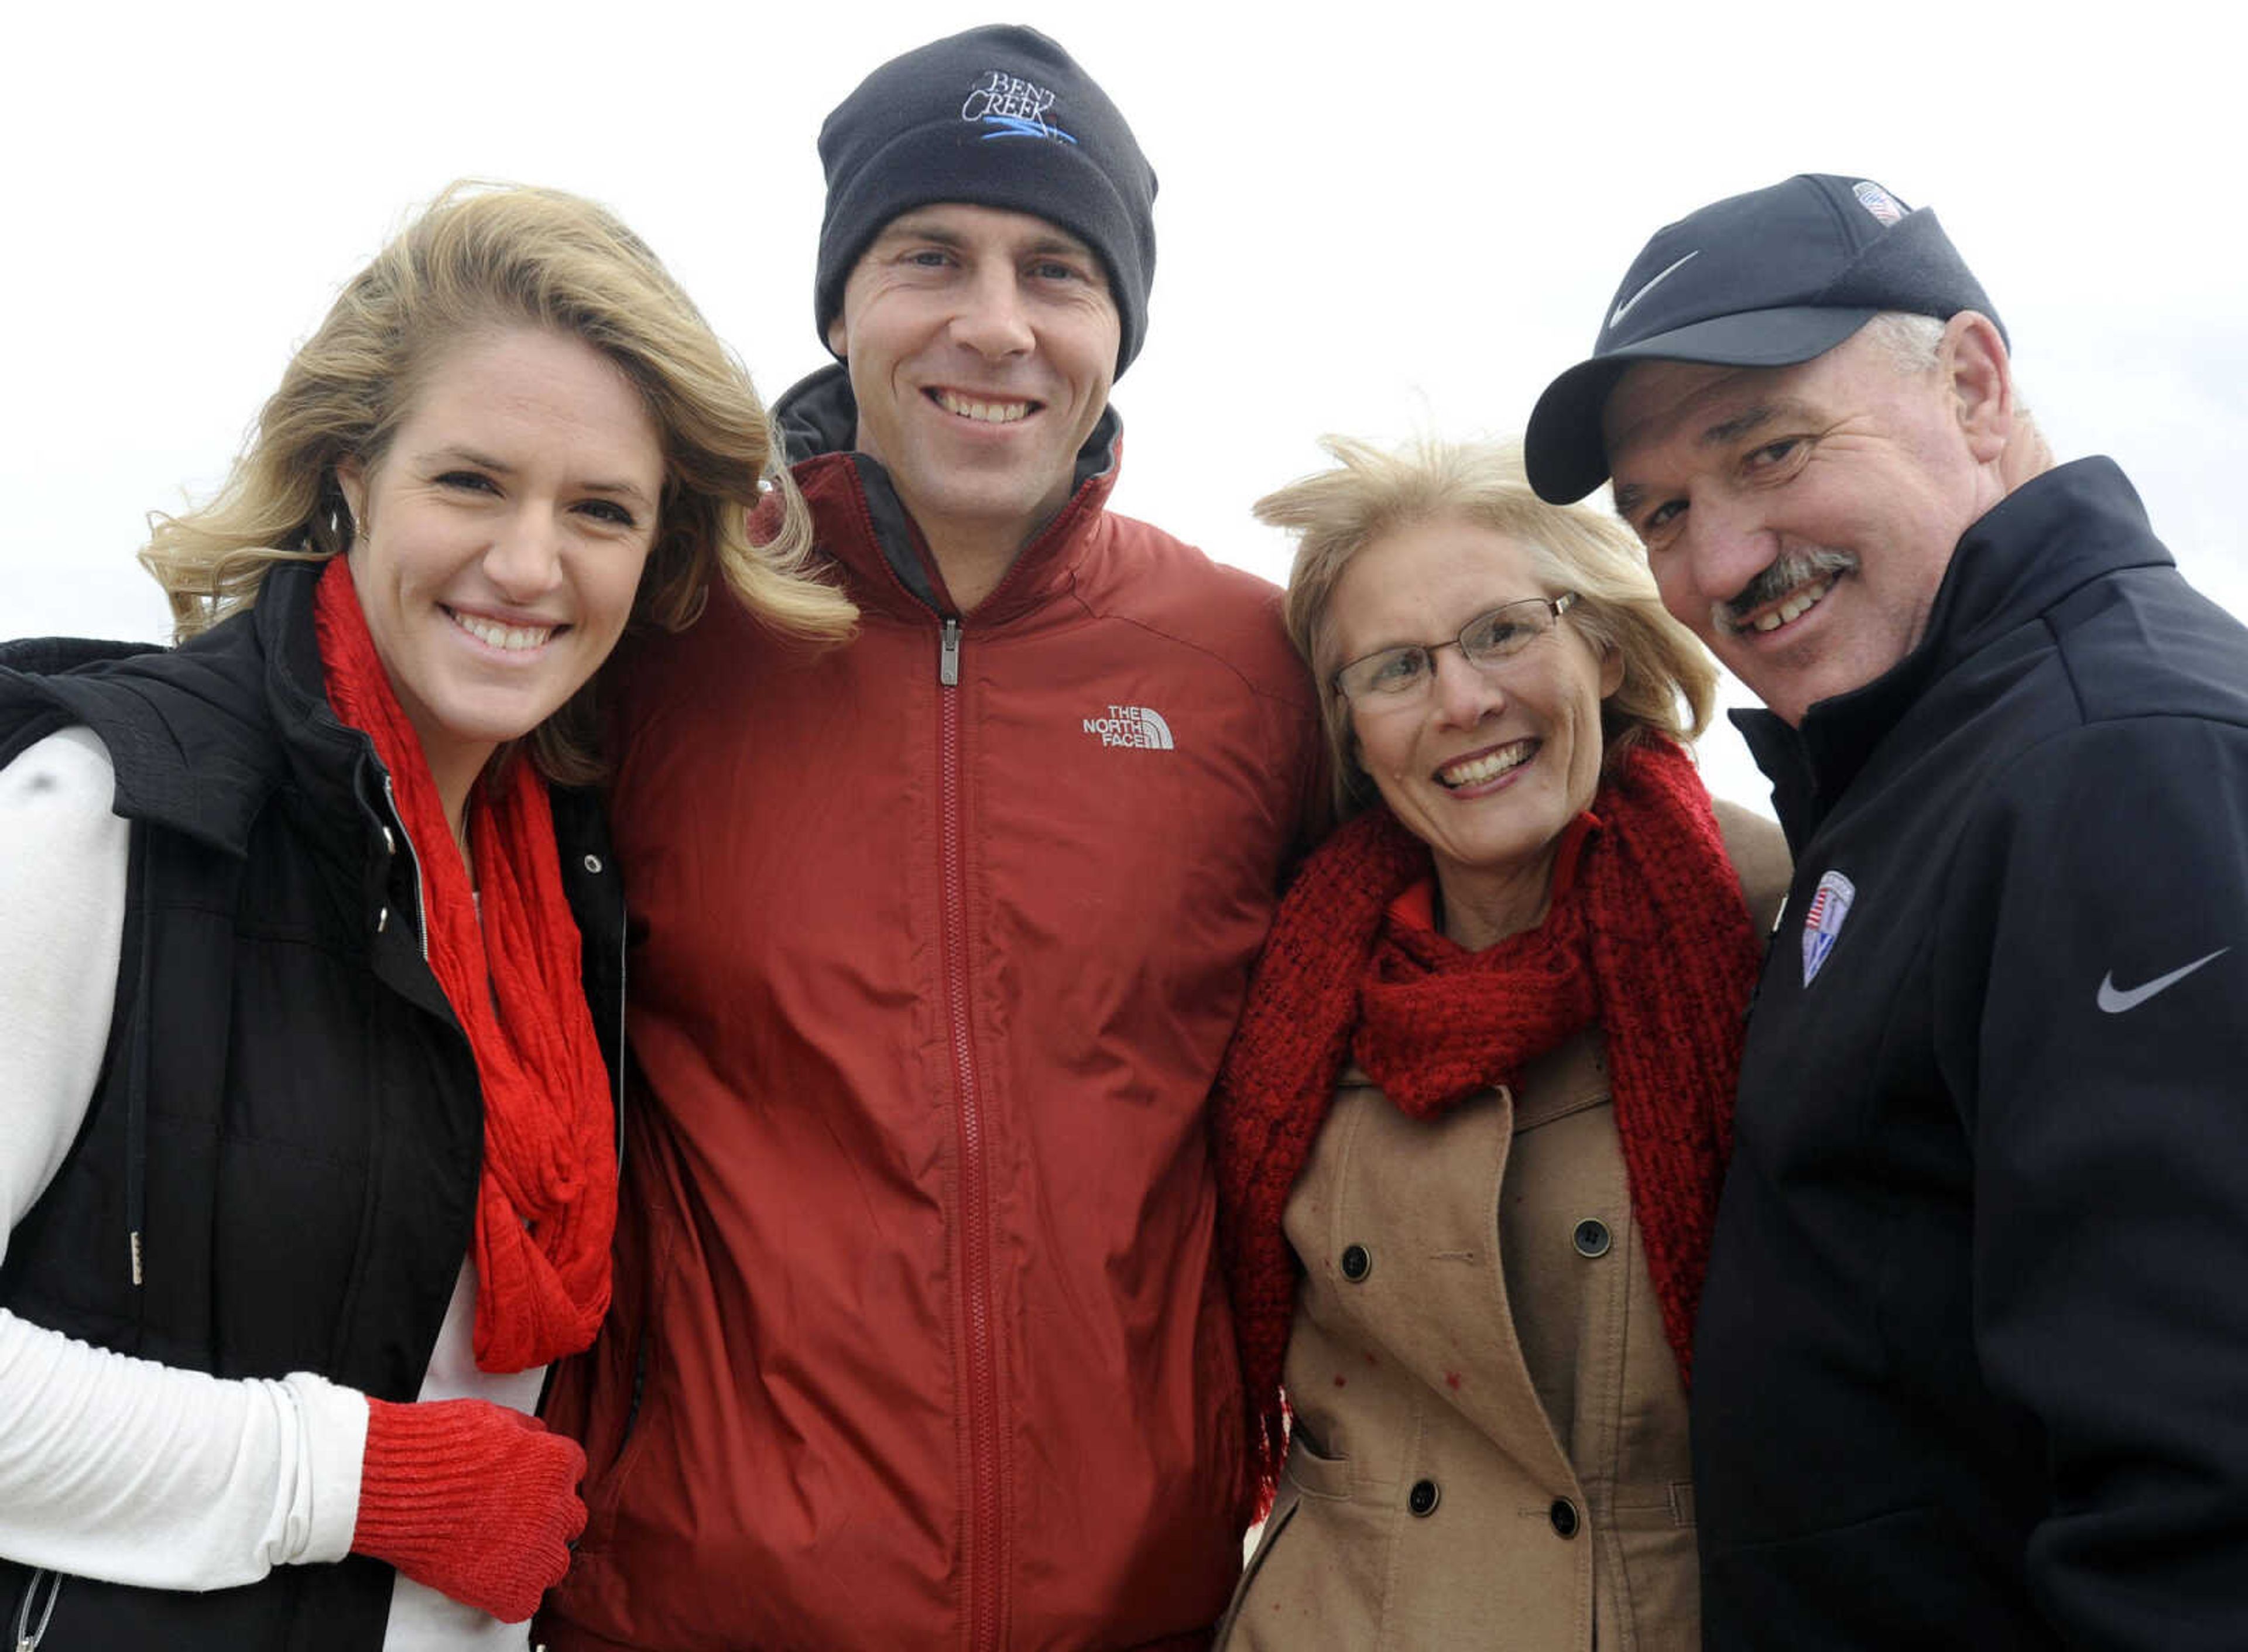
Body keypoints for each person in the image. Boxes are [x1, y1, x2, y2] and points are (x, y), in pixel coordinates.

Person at [538, 25, 1321, 1652]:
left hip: (1146, 1613)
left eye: (1057, 269)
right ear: (839, 305)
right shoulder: (666, 620)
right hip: (691, 1607)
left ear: (1122, 327)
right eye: (929, 257)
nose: (995, 324)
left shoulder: (1253, 665)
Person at [0, 182, 853, 1651]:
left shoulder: (566, 895)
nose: (529, 566)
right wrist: (352, 1481)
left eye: (599, 511)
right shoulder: (103, 811)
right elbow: (408, 1463)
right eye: (471, 482)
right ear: (352, 473)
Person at [1523, 172, 2248, 1648]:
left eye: (1771, 448)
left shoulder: (2118, 762)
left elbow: (2206, 1491)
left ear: (1977, 389)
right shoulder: (1923, 763)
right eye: (1660, 511)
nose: (1716, 563)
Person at [1205, 437, 1786, 1650]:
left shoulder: (1772, 928)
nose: (1463, 701)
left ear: (1606, 647)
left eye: (1506, 632)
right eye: (1398, 667)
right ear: (1352, 731)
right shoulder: (1283, 991)